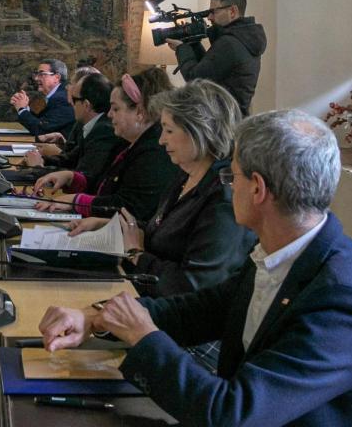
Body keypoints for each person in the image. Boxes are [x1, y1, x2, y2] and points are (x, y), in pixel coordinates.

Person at [38, 110, 352, 426]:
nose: (229, 186)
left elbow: (233, 415)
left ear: (257, 188)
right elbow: (198, 311)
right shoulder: (283, 252)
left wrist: (143, 336)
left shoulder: (341, 300)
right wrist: (96, 319)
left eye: (233, 176)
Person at [65, 80, 256, 297]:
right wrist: (113, 226)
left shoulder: (224, 197)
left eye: (169, 130)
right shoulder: (186, 175)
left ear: (199, 132)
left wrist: (136, 253)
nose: (162, 140)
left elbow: (191, 286)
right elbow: (165, 232)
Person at [33, 68, 177, 221]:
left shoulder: (153, 153)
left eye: (115, 108)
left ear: (139, 112)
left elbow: (129, 207)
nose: (109, 114)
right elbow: (102, 184)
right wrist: (70, 177)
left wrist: (77, 201)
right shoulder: (126, 143)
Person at [167, 0, 267, 116]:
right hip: (233, 118)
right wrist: (192, 42)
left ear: (232, 11)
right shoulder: (244, 38)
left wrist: (181, 48)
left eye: (214, 12)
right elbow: (209, 70)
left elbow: (196, 79)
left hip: (222, 123)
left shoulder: (230, 43)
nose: (209, 17)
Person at [23, 72, 126, 191]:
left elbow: (83, 178)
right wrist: (42, 159)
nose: (70, 103)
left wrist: (37, 167)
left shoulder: (104, 130)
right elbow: (70, 160)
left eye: (74, 99)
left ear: (86, 105)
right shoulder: (93, 124)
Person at [10, 59, 76, 136]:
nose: (36, 78)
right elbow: (41, 122)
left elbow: (41, 130)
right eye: (37, 74)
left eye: (41, 74)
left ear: (57, 77)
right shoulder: (58, 94)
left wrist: (21, 109)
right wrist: (24, 107)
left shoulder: (62, 98)